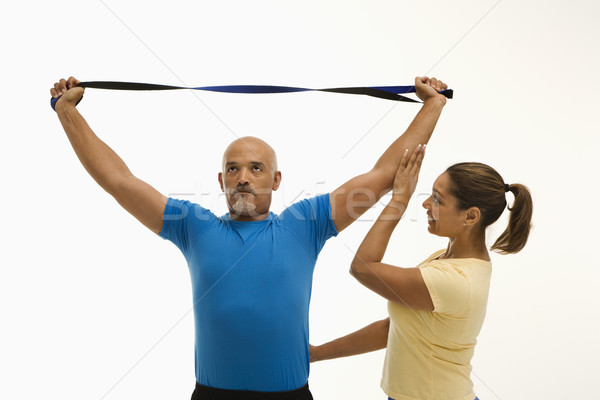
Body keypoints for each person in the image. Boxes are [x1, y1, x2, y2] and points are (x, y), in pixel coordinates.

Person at [50, 75, 449, 400]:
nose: (243, 177)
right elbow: (119, 181)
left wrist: (433, 106)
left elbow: (381, 176)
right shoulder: (193, 224)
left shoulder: (305, 223)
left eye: (256, 168)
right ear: (221, 180)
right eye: (234, 169)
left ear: (276, 180)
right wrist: (67, 113)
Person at [310, 148, 533, 400]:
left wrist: (399, 201)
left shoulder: (455, 280)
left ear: (470, 216)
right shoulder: (445, 259)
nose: (426, 204)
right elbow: (395, 328)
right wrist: (317, 353)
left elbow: (363, 267)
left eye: (437, 199)